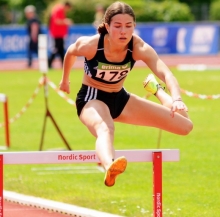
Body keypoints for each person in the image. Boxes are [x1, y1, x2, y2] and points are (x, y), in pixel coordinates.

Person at [59, 1, 193, 187]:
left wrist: (177, 99)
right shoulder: (91, 45)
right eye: (118, 26)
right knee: (105, 128)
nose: (124, 31)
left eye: (129, 26)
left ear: (134, 26)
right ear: (107, 27)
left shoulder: (138, 47)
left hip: (121, 99)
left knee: (185, 125)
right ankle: (109, 167)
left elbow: (166, 73)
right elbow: (70, 52)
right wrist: (65, 80)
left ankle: (157, 91)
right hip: (92, 97)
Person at [48, 1, 73, 68]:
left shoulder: (59, 10)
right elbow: (57, 21)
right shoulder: (59, 10)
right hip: (57, 34)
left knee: (61, 50)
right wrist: (66, 21)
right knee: (56, 49)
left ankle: (64, 65)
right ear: (67, 6)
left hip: (59, 34)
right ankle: (49, 63)